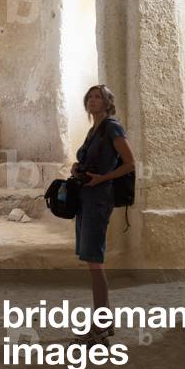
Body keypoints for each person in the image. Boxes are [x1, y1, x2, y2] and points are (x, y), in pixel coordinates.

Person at [71, 84, 135, 345]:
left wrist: (103, 179)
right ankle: (104, 323)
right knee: (90, 259)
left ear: (108, 102)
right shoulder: (93, 130)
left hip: (99, 197)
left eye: (98, 97)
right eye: (90, 97)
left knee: (95, 261)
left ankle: (98, 329)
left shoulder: (112, 127)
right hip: (85, 196)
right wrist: (79, 168)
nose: (92, 101)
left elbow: (131, 162)